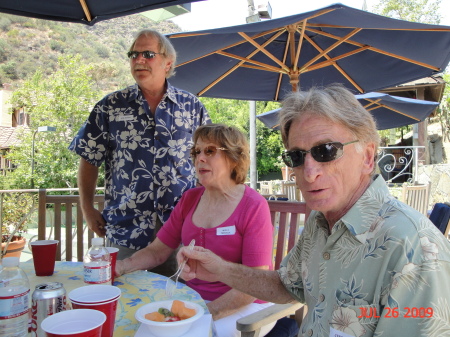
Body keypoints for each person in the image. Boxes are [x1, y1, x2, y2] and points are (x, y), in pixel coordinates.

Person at [177, 85, 450, 337]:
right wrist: (221, 269)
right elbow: (287, 286)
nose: (308, 172)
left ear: (367, 157)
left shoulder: (414, 252)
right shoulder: (321, 222)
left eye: (326, 151)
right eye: (297, 156)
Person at [69, 29, 211, 275]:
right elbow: (89, 157)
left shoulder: (192, 107)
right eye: (133, 54)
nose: (139, 60)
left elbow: (208, 161)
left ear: (168, 63)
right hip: (126, 230)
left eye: (147, 54)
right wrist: (87, 208)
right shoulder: (110, 106)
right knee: (125, 302)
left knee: (179, 305)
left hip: (181, 230)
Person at [116, 124, 276, 337]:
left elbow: (253, 284)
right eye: (196, 152)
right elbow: (157, 251)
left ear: (234, 158)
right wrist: (120, 267)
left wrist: (200, 314)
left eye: (210, 151)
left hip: (248, 305)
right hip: (193, 299)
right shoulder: (190, 199)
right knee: (144, 328)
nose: (200, 158)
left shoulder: (253, 206)